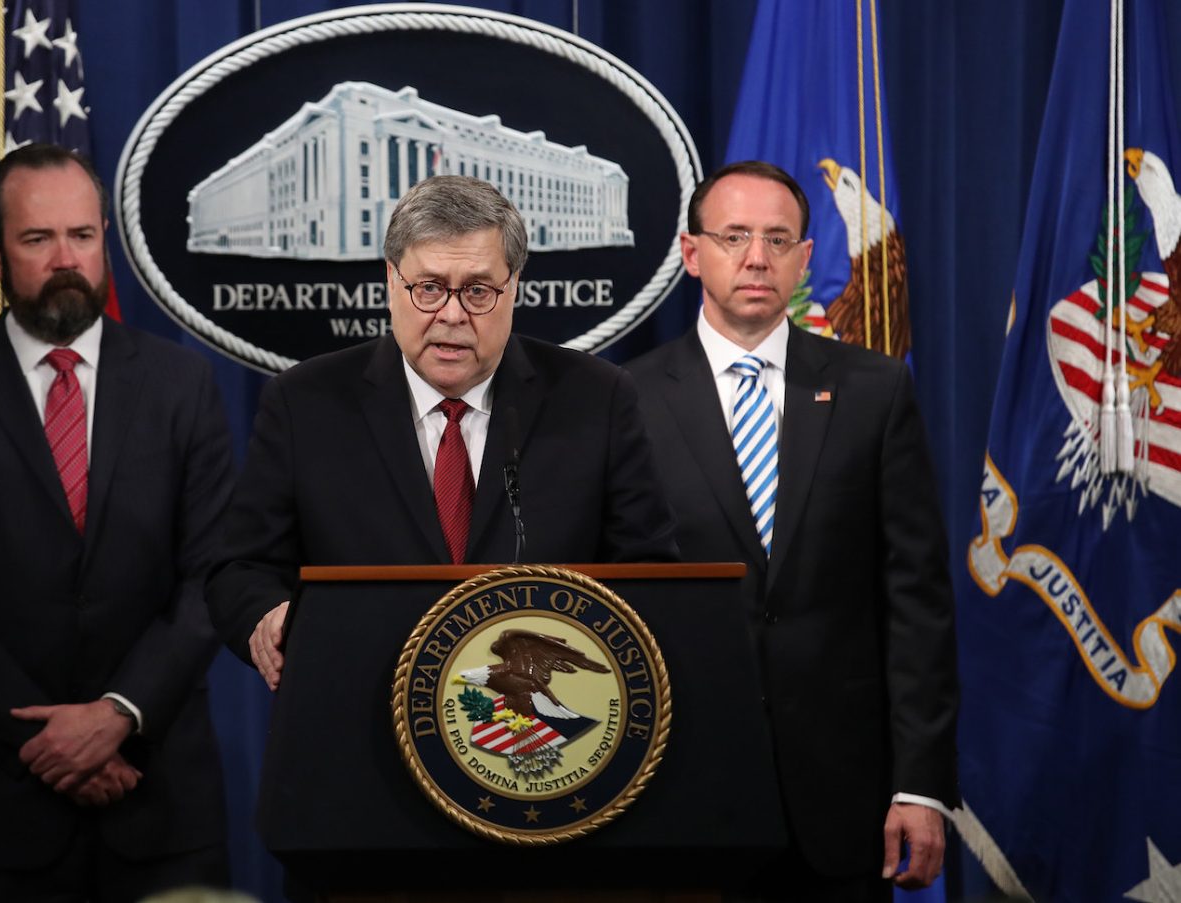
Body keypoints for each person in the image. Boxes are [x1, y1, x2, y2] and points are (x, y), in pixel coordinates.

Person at [0, 144, 232, 901]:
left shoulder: (182, 386)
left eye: (81, 234)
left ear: (105, 237)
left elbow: (211, 578)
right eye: (37, 239)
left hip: (159, 796)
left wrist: (118, 714)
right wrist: (51, 742)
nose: (65, 258)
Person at [626, 161, 958, 901]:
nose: (756, 258)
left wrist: (921, 786)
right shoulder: (625, 401)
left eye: (779, 239)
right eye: (734, 236)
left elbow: (918, 604)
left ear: (806, 259)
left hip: (845, 802)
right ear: (691, 253)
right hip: (676, 792)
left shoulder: (876, 391)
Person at [207, 174, 677, 690]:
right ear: (391, 280)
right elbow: (240, 568)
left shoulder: (595, 398)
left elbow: (649, 572)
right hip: (356, 714)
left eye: (478, 290)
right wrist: (266, 618)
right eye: (429, 288)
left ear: (514, 286)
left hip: (533, 726)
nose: (451, 315)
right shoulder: (305, 403)